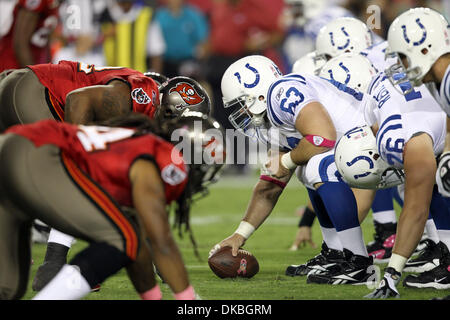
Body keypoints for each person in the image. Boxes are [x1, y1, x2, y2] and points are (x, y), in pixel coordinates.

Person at [0, 60, 211, 291]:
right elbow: (78, 99)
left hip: (24, 89)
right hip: (35, 91)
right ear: (170, 111)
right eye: (185, 127)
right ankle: (54, 262)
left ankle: (46, 261)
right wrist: (76, 156)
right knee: (83, 177)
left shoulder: (144, 114)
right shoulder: (144, 96)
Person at [212, 54, 378, 285]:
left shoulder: (283, 92)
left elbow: (322, 138)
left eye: (242, 104)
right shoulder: (272, 117)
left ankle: (359, 263)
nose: (242, 113)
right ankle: (336, 253)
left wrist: (288, 161)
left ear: (258, 95)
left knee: (316, 166)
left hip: (378, 136)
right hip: (360, 145)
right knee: (306, 166)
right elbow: (270, 186)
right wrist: (240, 235)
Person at [360, 6, 450, 296]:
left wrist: (392, 274)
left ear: (424, 49)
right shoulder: (440, 82)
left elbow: (415, 207)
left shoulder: (408, 137)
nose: (400, 64)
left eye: (402, 56)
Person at [0, 0, 60, 72]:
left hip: (33, 63)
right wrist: (35, 75)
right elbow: (20, 44)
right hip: (14, 67)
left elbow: (45, 42)